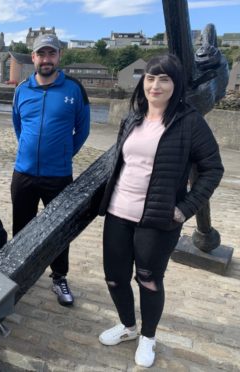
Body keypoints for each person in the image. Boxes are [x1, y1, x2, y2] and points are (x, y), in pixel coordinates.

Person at [97, 54, 224, 368]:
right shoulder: (133, 117)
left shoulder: (190, 121)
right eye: (150, 78)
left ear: (175, 84)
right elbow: (122, 162)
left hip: (158, 219)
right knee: (114, 278)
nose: (155, 85)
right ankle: (128, 327)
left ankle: (148, 337)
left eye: (164, 79)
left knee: (149, 280)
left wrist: (185, 209)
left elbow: (213, 169)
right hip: (118, 212)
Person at [11, 34, 90, 306]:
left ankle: (59, 277)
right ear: (32, 58)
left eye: (51, 54)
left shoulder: (74, 89)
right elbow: (18, 126)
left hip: (58, 175)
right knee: (21, 228)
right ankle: (18, 274)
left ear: (59, 57)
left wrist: (64, 153)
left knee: (59, 229)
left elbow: (83, 129)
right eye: (40, 54)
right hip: (24, 173)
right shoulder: (22, 90)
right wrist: (28, 151)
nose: (46, 59)